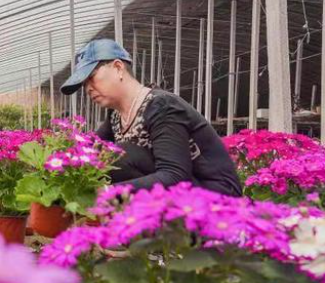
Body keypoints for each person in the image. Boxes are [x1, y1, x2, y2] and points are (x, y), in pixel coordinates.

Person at [60, 39, 242, 197]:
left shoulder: (162, 106)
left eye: (92, 77)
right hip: (185, 193)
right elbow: (88, 150)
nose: (88, 88)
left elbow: (175, 175)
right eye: (84, 84)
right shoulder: (116, 115)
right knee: (105, 155)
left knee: (121, 156)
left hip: (217, 196)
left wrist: (108, 192)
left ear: (118, 67)